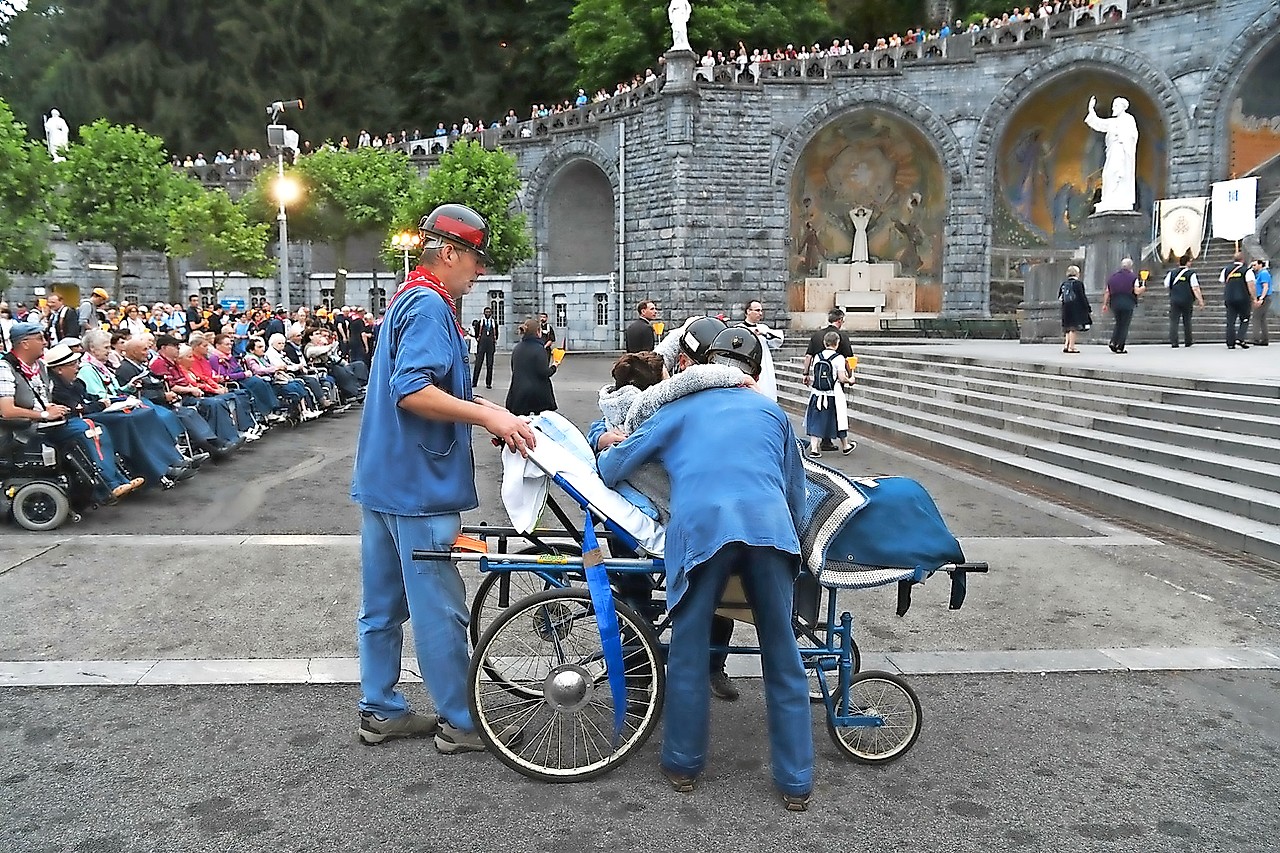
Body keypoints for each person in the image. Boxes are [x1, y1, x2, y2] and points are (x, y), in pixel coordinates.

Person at [597, 327, 813, 811]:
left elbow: (613, 468)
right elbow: (796, 493)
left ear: (703, 367)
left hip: (701, 532)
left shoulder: (678, 409)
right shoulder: (773, 414)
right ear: (753, 373)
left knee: (690, 650)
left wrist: (604, 439)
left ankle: (682, 765)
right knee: (782, 654)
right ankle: (796, 781)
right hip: (770, 531)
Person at [350, 203, 536, 753]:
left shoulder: (409, 298)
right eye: (476, 259)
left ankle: (380, 708)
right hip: (419, 485)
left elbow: (430, 389)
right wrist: (487, 416)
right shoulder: (432, 307)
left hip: (385, 479)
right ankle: (461, 720)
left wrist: (489, 410)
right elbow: (414, 391)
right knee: (439, 610)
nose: (480, 272)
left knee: (381, 608)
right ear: (450, 253)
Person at [0, 323, 144, 501]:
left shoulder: (39, 367)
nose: (45, 342)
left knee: (96, 427)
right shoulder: (5, 369)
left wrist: (49, 408)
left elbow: (42, 400)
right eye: (39, 338)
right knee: (88, 428)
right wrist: (44, 414)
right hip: (23, 429)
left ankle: (116, 481)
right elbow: (6, 411)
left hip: (46, 422)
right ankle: (109, 485)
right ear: (25, 343)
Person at [803, 309, 853, 450]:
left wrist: (805, 374)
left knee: (820, 410)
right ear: (839, 320)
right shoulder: (842, 336)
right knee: (835, 410)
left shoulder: (817, 335)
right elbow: (849, 359)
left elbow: (808, 357)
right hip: (835, 381)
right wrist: (850, 376)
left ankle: (821, 441)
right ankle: (830, 440)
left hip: (819, 383)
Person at [505, 317, 557, 416]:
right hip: (537, 393)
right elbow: (544, 372)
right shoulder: (539, 349)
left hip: (518, 391)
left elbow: (514, 368)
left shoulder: (517, 348)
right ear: (538, 332)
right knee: (540, 423)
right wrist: (555, 365)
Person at [739, 299, 784, 401]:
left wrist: (764, 333)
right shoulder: (739, 328)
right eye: (757, 310)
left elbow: (779, 340)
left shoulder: (763, 328)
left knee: (765, 391)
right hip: (747, 366)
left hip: (764, 366)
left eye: (761, 311)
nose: (760, 313)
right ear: (748, 311)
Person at [1101, 258, 1143, 354]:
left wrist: (1104, 304)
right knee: (1124, 325)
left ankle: (1113, 341)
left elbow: (1107, 291)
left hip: (1115, 303)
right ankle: (1120, 346)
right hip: (1127, 303)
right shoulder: (1133, 277)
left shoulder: (1113, 277)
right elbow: (1136, 291)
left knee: (1118, 323)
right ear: (1130, 267)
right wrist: (1143, 288)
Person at [1164, 253, 1203, 347]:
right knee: (1187, 320)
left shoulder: (1171, 273)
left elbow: (1166, 284)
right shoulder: (1191, 274)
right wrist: (1200, 300)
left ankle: (1174, 341)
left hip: (1175, 300)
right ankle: (1188, 340)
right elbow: (1195, 288)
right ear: (1187, 263)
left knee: (1174, 321)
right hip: (1187, 300)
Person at [1221, 251, 1253, 349]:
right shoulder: (1247, 270)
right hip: (1243, 298)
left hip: (1229, 298)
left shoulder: (1225, 270)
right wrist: (1254, 297)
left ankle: (1230, 343)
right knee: (1245, 319)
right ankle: (1240, 338)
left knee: (1230, 321)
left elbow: (1223, 281)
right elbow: (1251, 285)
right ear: (1243, 260)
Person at [1058, 265, 1091, 353]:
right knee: (1073, 328)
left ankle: (1066, 345)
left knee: (1067, 328)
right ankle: (1071, 347)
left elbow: (1060, 296)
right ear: (1077, 273)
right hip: (1075, 308)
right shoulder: (1078, 284)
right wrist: (1087, 308)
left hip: (1065, 307)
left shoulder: (1064, 284)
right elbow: (1082, 297)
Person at [471, 306, 498, 389]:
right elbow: (476, 333)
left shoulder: (494, 323)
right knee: (478, 364)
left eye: (489, 312)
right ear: (484, 313)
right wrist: (480, 339)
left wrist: (493, 340)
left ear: (491, 313)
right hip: (482, 344)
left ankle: (488, 383)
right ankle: (474, 382)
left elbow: (497, 333)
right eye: (486, 312)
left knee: (490, 364)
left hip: (490, 345)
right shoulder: (480, 322)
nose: (488, 314)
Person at [1250, 258, 1271, 346]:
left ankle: (1256, 338)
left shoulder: (1264, 273)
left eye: (1255, 265)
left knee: (1256, 317)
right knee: (1262, 319)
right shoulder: (1259, 274)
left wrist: (1261, 298)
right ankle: (1264, 339)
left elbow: (1265, 286)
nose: (1253, 267)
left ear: (1260, 264)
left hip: (1263, 297)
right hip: (1262, 297)